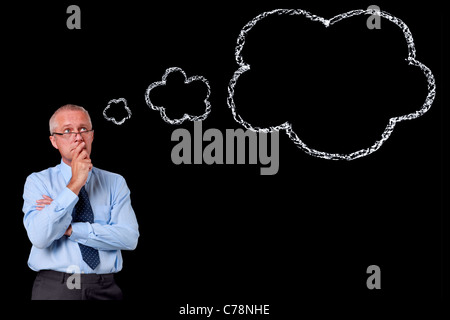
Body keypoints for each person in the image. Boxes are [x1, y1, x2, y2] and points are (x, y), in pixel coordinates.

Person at [22, 104, 139, 300]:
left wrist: (70, 229)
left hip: (106, 287)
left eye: (83, 129)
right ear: (54, 141)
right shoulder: (38, 181)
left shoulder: (115, 182)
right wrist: (75, 184)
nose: (77, 137)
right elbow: (40, 237)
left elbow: (129, 238)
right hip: (57, 288)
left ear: (92, 136)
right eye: (67, 131)